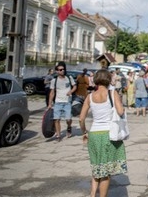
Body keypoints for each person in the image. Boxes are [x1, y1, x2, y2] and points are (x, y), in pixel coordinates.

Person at [78, 69, 127, 197]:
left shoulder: (89, 97)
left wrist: (84, 132)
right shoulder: (112, 93)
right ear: (108, 80)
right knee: (106, 171)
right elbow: (121, 112)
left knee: (97, 165)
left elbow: (81, 118)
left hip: (94, 134)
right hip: (108, 134)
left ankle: (93, 194)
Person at [48, 62, 77, 141]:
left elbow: (74, 86)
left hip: (67, 102)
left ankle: (69, 127)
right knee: (56, 119)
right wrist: (49, 104)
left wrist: (70, 91)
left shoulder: (69, 77)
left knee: (68, 119)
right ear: (57, 71)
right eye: (60, 70)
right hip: (58, 102)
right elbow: (52, 92)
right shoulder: (54, 80)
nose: (62, 71)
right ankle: (58, 135)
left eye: (63, 69)